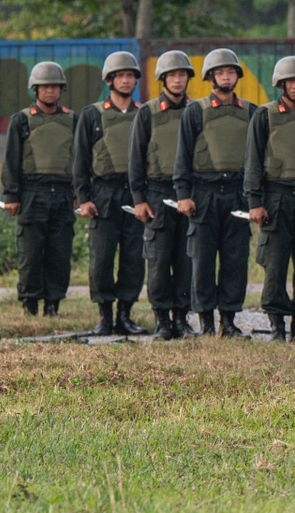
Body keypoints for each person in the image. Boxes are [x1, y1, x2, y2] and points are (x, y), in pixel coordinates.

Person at [173, 48, 255, 337]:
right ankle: (206, 322)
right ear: (210, 77)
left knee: (235, 260)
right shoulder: (195, 111)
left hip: (237, 193)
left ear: (237, 76)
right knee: (202, 261)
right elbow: (182, 155)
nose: (226, 76)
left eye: (230, 72)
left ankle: (229, 322)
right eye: (220, 72)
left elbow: (257, 159)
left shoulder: (251, 112)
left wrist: (254, 198)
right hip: (203, 194)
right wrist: (183, 194)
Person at [244, 56, 295, 342]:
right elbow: (253, 160)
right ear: (281, 84)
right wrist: (255, 201)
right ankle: (276, 323)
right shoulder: (264, 115)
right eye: (291, 81)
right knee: (275, 264)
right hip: (275, 195)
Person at [73, 51, 144, 335]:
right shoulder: (92, 114)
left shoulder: (142, 113)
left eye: (130, 76)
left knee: (133, 255)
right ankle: (104, 316)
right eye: (120, 76)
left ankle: (125, 315)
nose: (126, 81)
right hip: (102, 192)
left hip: (133, 193)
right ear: (110, 80)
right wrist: (84, 197)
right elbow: (79, 159)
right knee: (101, 257)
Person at [0, 62, 78, 318]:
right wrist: (11, 195)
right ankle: (30, 304)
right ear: (35, 89)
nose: (50, 92)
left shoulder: (72, 119)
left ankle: (53, 304)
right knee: (31, 254)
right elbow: (11, 159)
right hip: (32, 193)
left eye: (55, 86)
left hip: (64, 193)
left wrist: (79, 194)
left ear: (61, 89)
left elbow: (79, 159)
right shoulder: (21, 120)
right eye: (45, 87)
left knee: (59, 253)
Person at [129, 50, 198, 339]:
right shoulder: (148, 112)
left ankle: (182, 318)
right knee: (158, 259)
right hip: (157, 192)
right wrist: (139, 199)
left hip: (189, 193)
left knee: (186, 259)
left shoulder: (197, 110)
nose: (178, 80)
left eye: (182, 75)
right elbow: (136, 158)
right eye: (173, 75)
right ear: (163, 80)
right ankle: (161, 320)